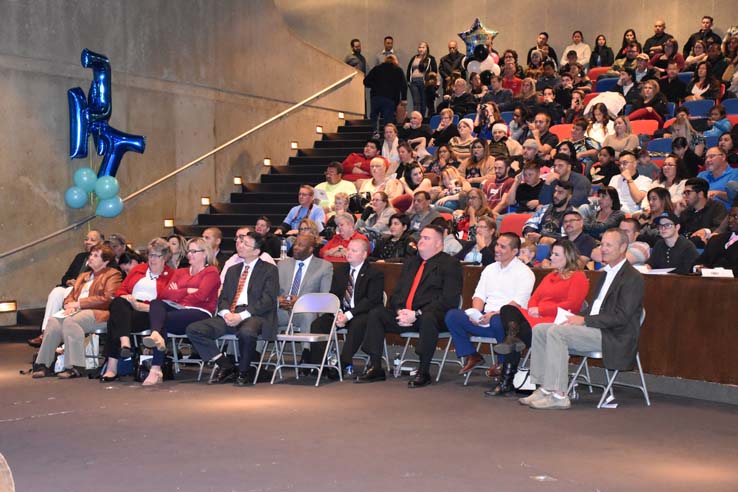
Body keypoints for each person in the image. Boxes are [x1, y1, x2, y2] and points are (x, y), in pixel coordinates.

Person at [523, 228, 644, 410]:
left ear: (623, 247)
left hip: (613, 335)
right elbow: (596, 309)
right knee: (541, 329)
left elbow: (621, 317)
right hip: (595, 328)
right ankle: (545, 388)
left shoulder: (633, 278)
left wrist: (584, 321)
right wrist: (578, 318)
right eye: (602, 244)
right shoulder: (605, 274)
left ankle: (559, 395)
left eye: (608, 245)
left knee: (557, 332)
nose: (603, 248)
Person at [357, 224, 462, 388]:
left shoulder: (450, 264)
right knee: (377, 313)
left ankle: (423, 371)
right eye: (421, 237)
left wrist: (417, 313)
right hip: (405, 315)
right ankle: (375, 366)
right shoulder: (411, 263)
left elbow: (449, 300)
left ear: (438, 244)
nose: (421, 241)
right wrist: (400, 311)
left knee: (428, 318)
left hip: (432, 317)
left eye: (427, 238)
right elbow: (397, 293)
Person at [487, 239, 589, 396]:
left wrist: (541, 309)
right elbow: (535, 297)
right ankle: (512, 340)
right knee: (507, 309)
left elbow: (573, 305)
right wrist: (534, 308)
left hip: (554, 321)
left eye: (556, 254)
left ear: (567, 257)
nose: (551, 258)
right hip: (535, 317)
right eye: (552, 254)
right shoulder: (551, 276)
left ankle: (506, 380)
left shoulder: (578, 277)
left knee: (516, 334)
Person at [186, 231, 279, 386]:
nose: (240, 245)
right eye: (241, 242)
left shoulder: (269, 269)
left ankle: (243, 372)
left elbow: (267, 300)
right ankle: (225, 364)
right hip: (231, 313)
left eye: (246, 244)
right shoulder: (232, 270)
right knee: (194, 329)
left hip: (255, 315)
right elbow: (223, 298)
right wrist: (226, 313)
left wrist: (241, 316)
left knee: (247, 332)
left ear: (256, 251)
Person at [445, 231, 534, 375]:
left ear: (515, 251)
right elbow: (479, 295)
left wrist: (492, 315)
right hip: (485, 318)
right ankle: (472, 355)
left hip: (507, 322)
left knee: (497, 320)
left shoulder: (524, 272)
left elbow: (518, 303)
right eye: (497, 245)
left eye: (503, 247)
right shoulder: (490, 269)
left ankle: (502, 362)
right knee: (452, 316)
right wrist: (476, 314)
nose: (497, 249)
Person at [31, 244, 122, 379]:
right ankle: (44, 364)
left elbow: (108, 299)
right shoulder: (83, 276)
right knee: (53, 321)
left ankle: (75, 366)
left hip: (99, 313)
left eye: (96, 256)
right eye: (91, 255)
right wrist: (69, 306)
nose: (90, 258)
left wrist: (79, 304)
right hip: (76, 312)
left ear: (106, 261)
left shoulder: (113, 274)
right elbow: (70, 296)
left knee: (70, 322)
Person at [140, 238, 221, 385]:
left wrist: (178, 293)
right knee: (156, 303)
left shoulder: (211, 272)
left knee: (162, 319)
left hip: (200, 312)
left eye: (194, 251)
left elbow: (202, 296)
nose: (189, 254)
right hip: (177, 309)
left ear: (205, 253)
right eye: (188, 251)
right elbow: (164, 294)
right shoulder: (180, 272)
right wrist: (188, 290)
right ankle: (156, 337)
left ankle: (156, 368)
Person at [99, 238, 175, 381]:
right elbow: (121, 290)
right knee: (118, 303)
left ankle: (112, 366)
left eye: (156, 255)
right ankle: (125, 342)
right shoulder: (138, 270)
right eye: (150, 255)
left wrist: (142, 306)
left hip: (148, 312)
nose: (152, 259)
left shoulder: (171, 276)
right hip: (128, 306)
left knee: (115, 320)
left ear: (165, 257)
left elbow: (167, 303)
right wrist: (129, 299)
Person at [308, 238, 384, 376]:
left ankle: (343, 364)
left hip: (362, 313)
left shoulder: (374, 273)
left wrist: (348, 316)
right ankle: (319, 365)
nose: (348, 253)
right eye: (348, 249)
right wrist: (337, 312)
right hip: (341, 312)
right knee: (318, 324)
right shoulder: (341, 270)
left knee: (357, 324)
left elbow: (371, 300)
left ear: (364, 254)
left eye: (354, 251)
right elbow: (334, 295)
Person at [29, 229, 104, 347]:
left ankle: (59, 334)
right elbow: (65, 277)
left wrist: (79, 284)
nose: (88, 242)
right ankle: (45, 333)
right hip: (70, 287)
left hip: (85, 292)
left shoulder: (103, 260)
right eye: (86, 239)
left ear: (101, 243)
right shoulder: (80, 257)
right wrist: (69, 281)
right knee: (56, 292)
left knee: (68, 292)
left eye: (92, 240)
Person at [276, 233, 333, 364]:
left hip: (305, 312)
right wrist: (278, 300)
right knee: (263, 313)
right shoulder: (282, 265)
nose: (296, 247)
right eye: (295, 244)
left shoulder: (324, 266)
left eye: (301, 245)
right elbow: (271, 292)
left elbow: (325, 297)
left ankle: (306, 354)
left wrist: (301, 302)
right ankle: (253, 356)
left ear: (311, 249)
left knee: (308, 315)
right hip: (283, 311)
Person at [679, 177, 729, 249]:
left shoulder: (717, 207)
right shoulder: (685, 212)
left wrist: (706, 231)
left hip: (708, 248)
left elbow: (721, 229)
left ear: (700, 194)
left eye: (688, 192)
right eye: (684, 193)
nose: (684, 196)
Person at [523, 180, 576, 245]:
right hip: (536, 243)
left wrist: (542, 238)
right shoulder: (544, 208)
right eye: (555, 191)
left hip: (557, 248)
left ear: (569, 197)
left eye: (560, 192)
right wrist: (529, 233)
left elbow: (567, 238)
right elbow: (531, 223)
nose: (555, 195)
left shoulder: (573, 215)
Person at [364, 55, 408, 132]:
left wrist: (375, 85)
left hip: (376, 96)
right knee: (388, 118)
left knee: (375, 115)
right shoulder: (398, 70)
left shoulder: (377, 68)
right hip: (390, 98)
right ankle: (387, 133)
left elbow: (366, 81)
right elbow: (404, 85)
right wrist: (404, 98)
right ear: (395, 61)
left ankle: (375, 131)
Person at [693, 203, 738, 276]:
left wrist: (713, 272)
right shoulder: (716, 240)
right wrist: (698, 268)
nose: (730, 220)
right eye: (729, 216)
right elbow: (697, 263)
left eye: (736, 216)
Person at [406, 41, 437, 116]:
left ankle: (421, 119)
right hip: (413, 83)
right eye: (419, 47)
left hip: (424, 83)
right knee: (416, 102)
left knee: (423, 102)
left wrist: (431, 81)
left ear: (426, 49)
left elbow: (434, 70)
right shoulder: (414, 58)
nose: (421, 49)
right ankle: (415, 117)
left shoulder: (430, 59)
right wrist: (408, 81)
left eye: (423, 47)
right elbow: (409, 69)